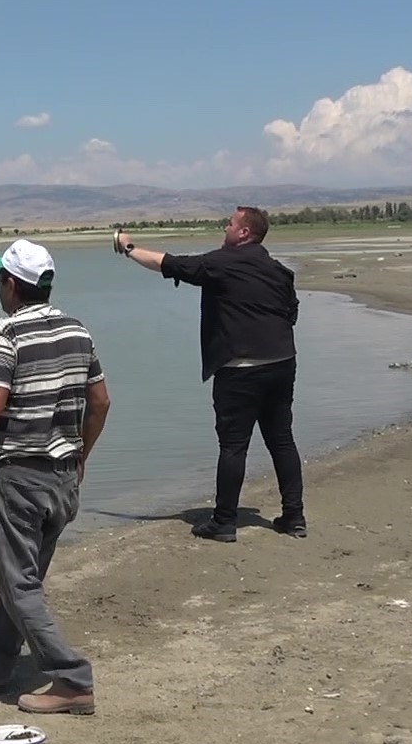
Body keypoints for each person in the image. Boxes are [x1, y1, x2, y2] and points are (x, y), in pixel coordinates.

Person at [0, 239, 110, 715]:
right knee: (21, 578)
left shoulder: (5, 332)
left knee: (19, 585)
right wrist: (81, 455)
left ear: (11, 284)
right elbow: (101, 402)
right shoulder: (78, 329)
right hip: (64, 478)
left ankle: (72, 679)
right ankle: (2, 659)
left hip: (19, 477)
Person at [114, 206, 305, 542]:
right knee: (281, 440)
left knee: (233, 446)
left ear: (244, 233)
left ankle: (224, 521)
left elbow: (166, 263)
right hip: (282, 364)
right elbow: (291, 314)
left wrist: (128, 248)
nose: (225, 227)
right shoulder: (278, 271)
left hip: (240, 370)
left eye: (230, 224)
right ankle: (294, 517)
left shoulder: (221, 263)